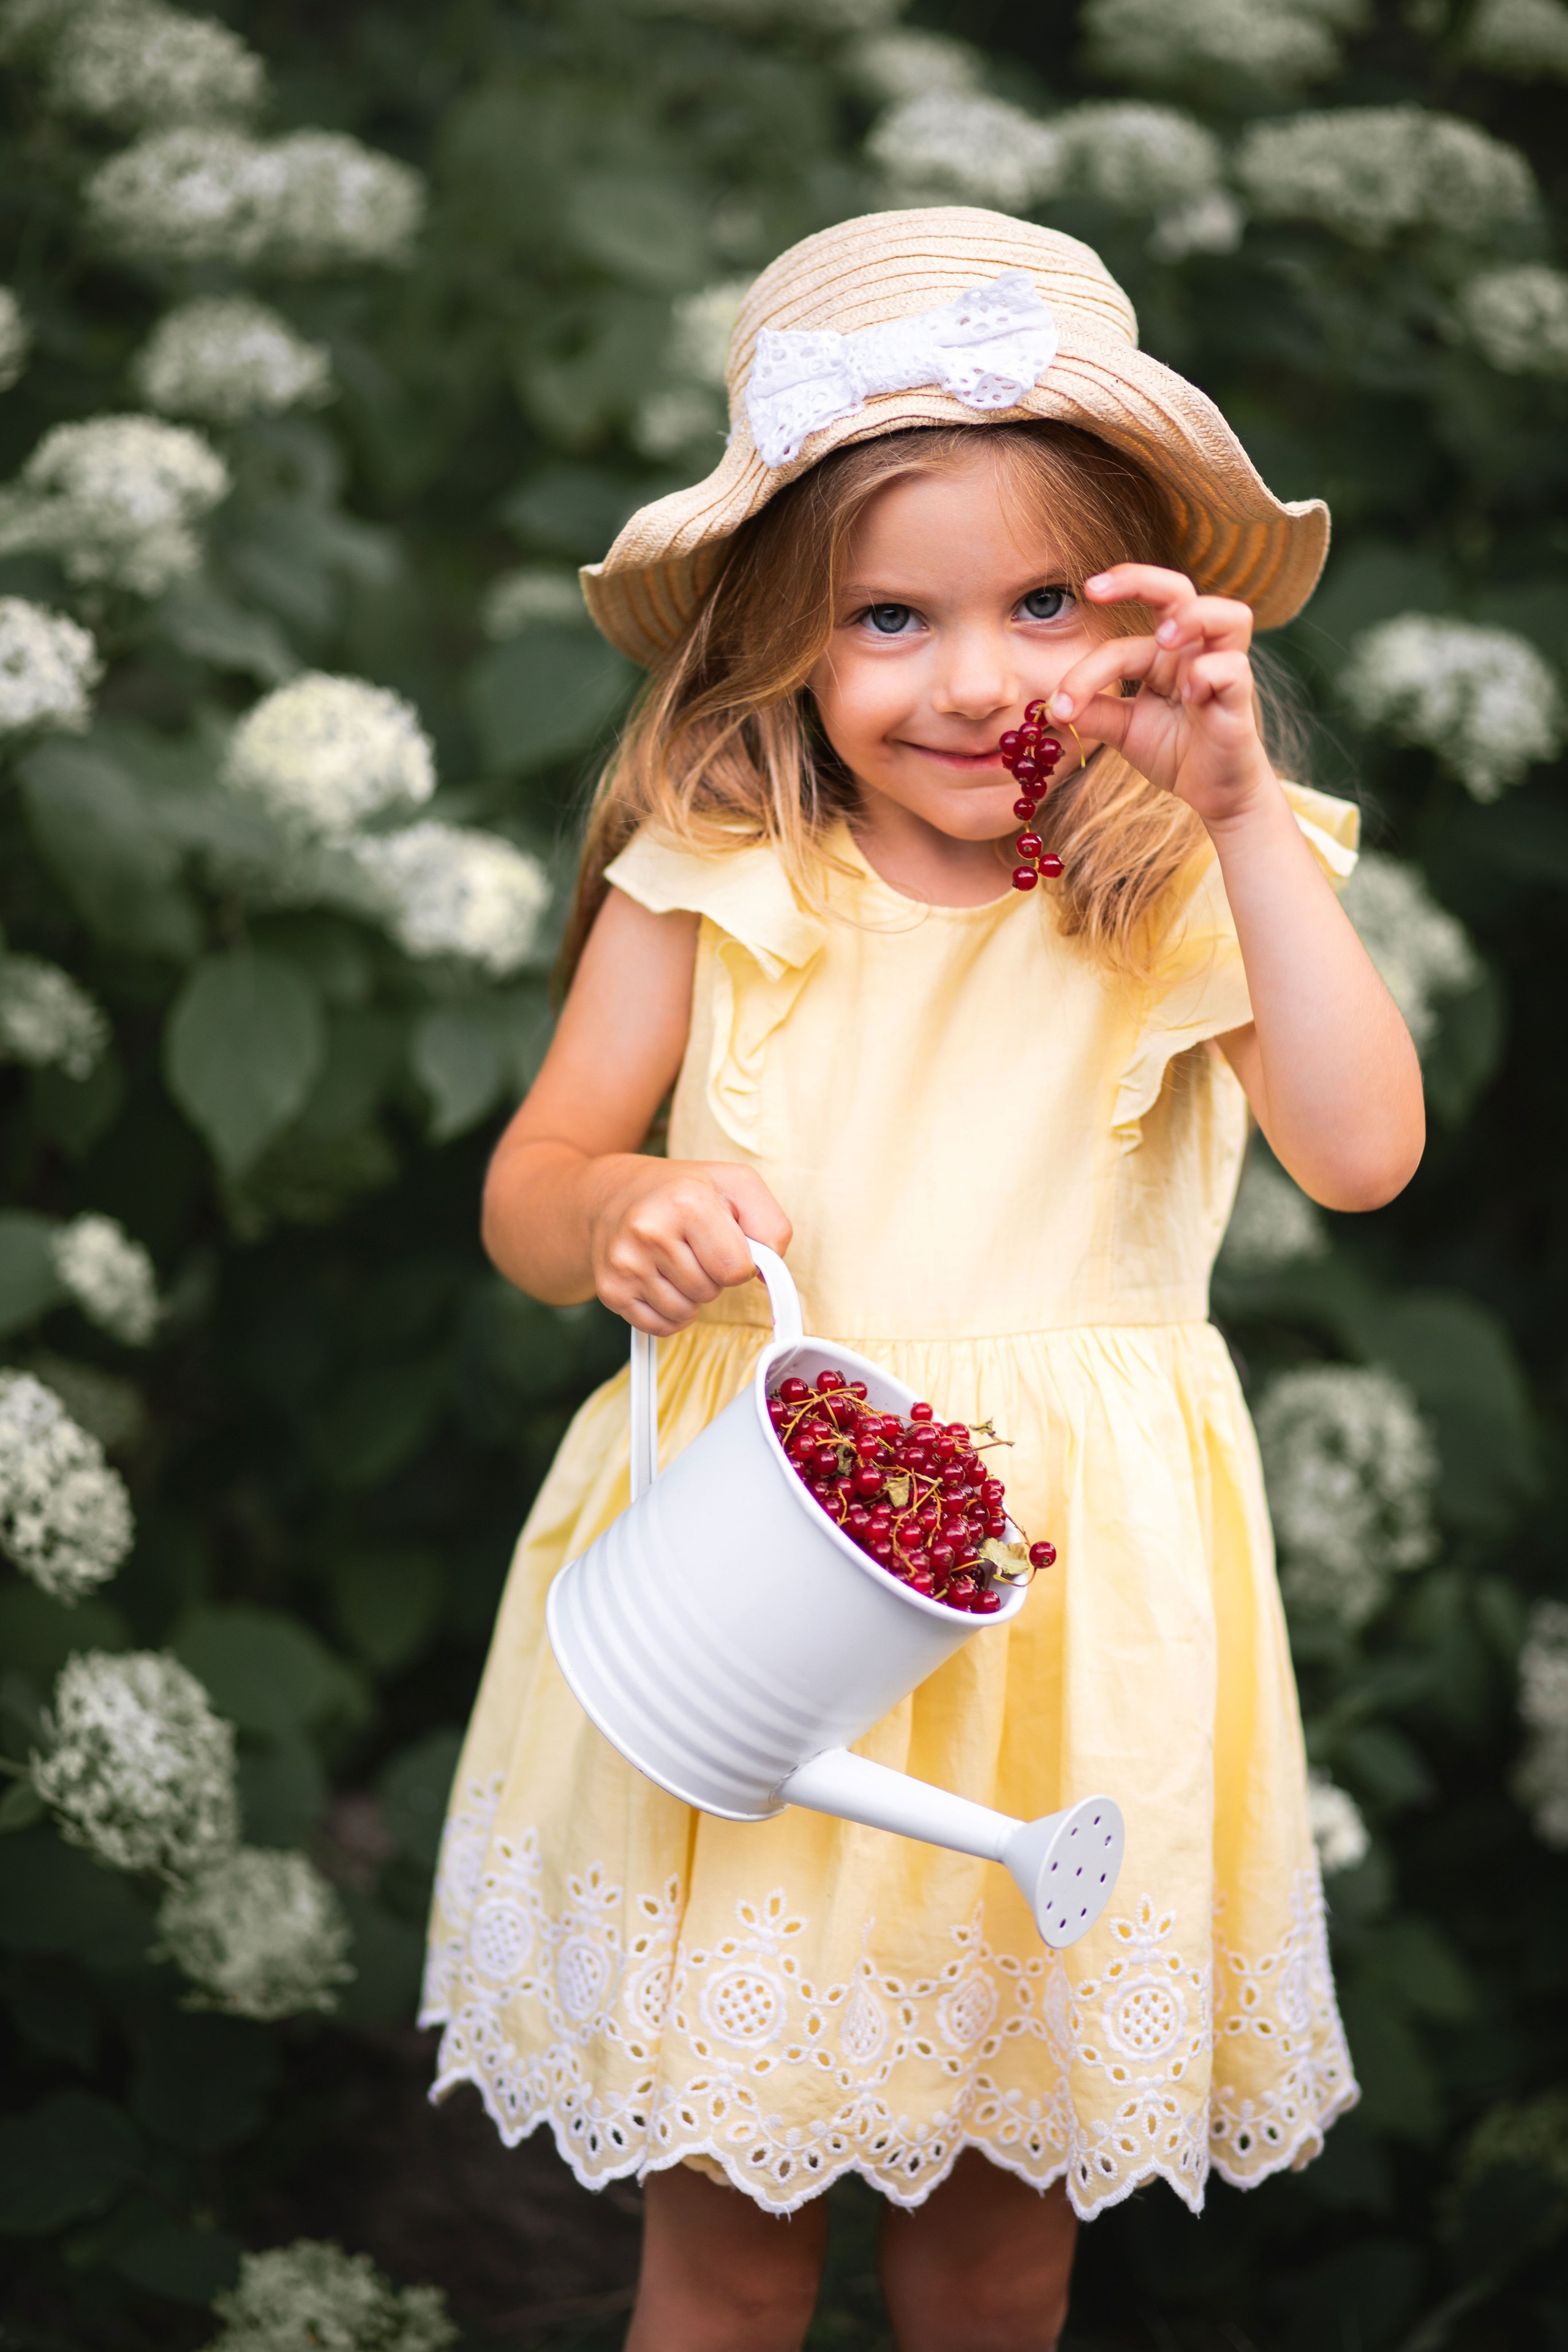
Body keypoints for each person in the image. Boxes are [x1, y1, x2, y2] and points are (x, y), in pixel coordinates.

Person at [420, 208, 1423, 2352]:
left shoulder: (1179, 885)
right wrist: (615, 1213)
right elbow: (529, 1187)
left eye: (1047, 600)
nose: (980, 678)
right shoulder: (722, 879)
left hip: (1064, 1623)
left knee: (996, 2237)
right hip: (759, 1607)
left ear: (1161, 612)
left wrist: (1243, 819)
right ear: (784, 642)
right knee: (731, 2228)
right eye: (892, 614)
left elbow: (1364, 1150)